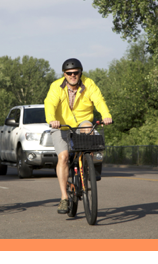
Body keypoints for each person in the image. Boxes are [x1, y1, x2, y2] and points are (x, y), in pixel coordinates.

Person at [44, 58, 112, 214]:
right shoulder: (56, 86)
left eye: (76, 73)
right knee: (63, 157)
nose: (73, 75)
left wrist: (106, 115)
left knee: (89, 128)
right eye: (69, 73)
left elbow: (99, 100)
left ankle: (91, 166)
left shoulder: (89, 84)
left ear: (81, 72)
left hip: (82, 122)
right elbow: (50, 104)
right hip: (60, 125)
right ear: (64, 74)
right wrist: (51, 120)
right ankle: (64, 198)